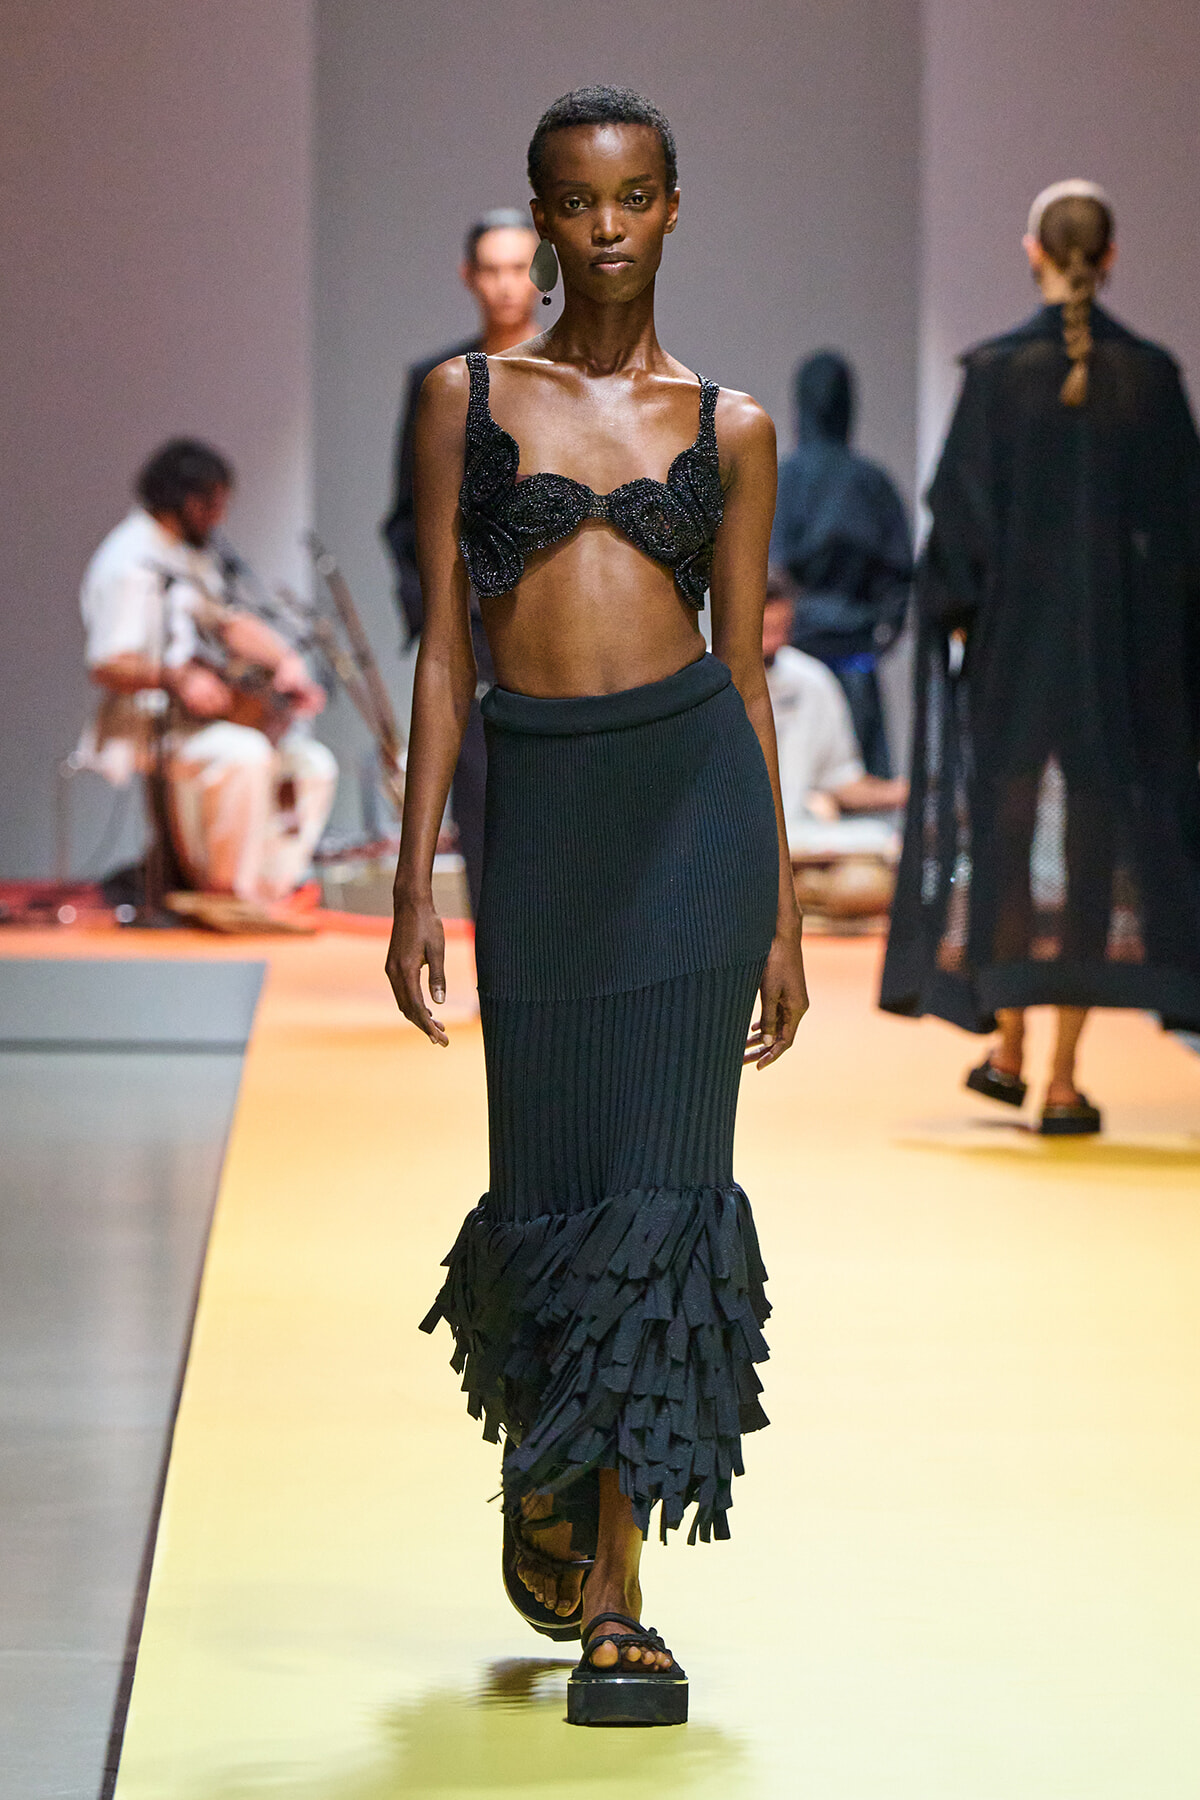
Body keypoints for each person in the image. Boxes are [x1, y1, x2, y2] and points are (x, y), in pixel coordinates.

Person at [385, 87, 808, 1721]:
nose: (610, 223)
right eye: (579, 200)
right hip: (545, 824)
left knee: (662, 1205)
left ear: (676, 207)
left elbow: (751, 683)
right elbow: (442, 642)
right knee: (554, 1191)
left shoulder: (733, 425)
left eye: (637, 195)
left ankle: (623, 1599)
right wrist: (423, 867)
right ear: (543, 220)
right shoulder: (470, 397)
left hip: (692, 824)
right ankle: (553, 1476)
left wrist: (774, 910)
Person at [881, 181, 1200, 1133]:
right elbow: (1186, 543)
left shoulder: (995, 376)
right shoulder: (1151, 379)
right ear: (1110, 258)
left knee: (1005, 834)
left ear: (1032, 252)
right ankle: (1062, 1077)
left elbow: (958, 538)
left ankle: (1008, 1045)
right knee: (1099, 845)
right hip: (1124, 660)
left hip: (1016, 653)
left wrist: (962, 618)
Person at [80, 439, 336, 904]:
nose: (219, 517)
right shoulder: (128, 559)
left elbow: (227, 622)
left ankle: (268, 889)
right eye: (212, 504)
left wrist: (285, 663)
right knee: (244, 755)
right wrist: (179, 677)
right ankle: (224, 894)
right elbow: (108, 661)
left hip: (201, 718)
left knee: (310, 764)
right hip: (150, 721)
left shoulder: (187, 553)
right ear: (185, 500)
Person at [382, 209, 542, 916]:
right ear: (469, 278)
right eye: (493, 269)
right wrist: (438, 616)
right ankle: (500, 969)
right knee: (479, 801)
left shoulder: (573, 375)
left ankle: (571, 974)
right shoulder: (440, 383)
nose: (507, 285)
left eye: (519, 267)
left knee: (568, 798)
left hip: (565, 627)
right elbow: (404, 517)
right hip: (474, 635)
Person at [771, 350, 912, 776]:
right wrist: (880, 632)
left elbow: (769, 569)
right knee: (860, 777)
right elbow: (899, 575)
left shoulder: (785, 480)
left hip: (800, 656)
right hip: (854, 657)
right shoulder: (873, 484)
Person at [763, 576, 907, 917]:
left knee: (868, 886)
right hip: (727, 852)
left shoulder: (812, 681)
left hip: (803, 845)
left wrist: (907, 793)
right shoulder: (706, 679)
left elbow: (841, 780)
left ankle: (785, 901)